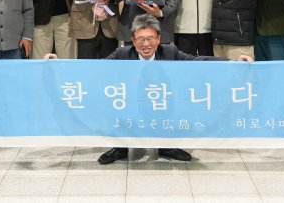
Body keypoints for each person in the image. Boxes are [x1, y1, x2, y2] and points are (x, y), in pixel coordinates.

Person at [45, 14, 252, 164]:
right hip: (129, 103)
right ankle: (121, 146)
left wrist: (233, 62)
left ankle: (164, 145)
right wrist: (59, 63)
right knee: (113, 100)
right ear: (133, 40)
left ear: (158, 39)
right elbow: (94, 68)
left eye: (150, 39)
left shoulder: (169, 52)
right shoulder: (122, 54)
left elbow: (198, 61)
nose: (146, 44)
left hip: (160, 101)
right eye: (141, 39)